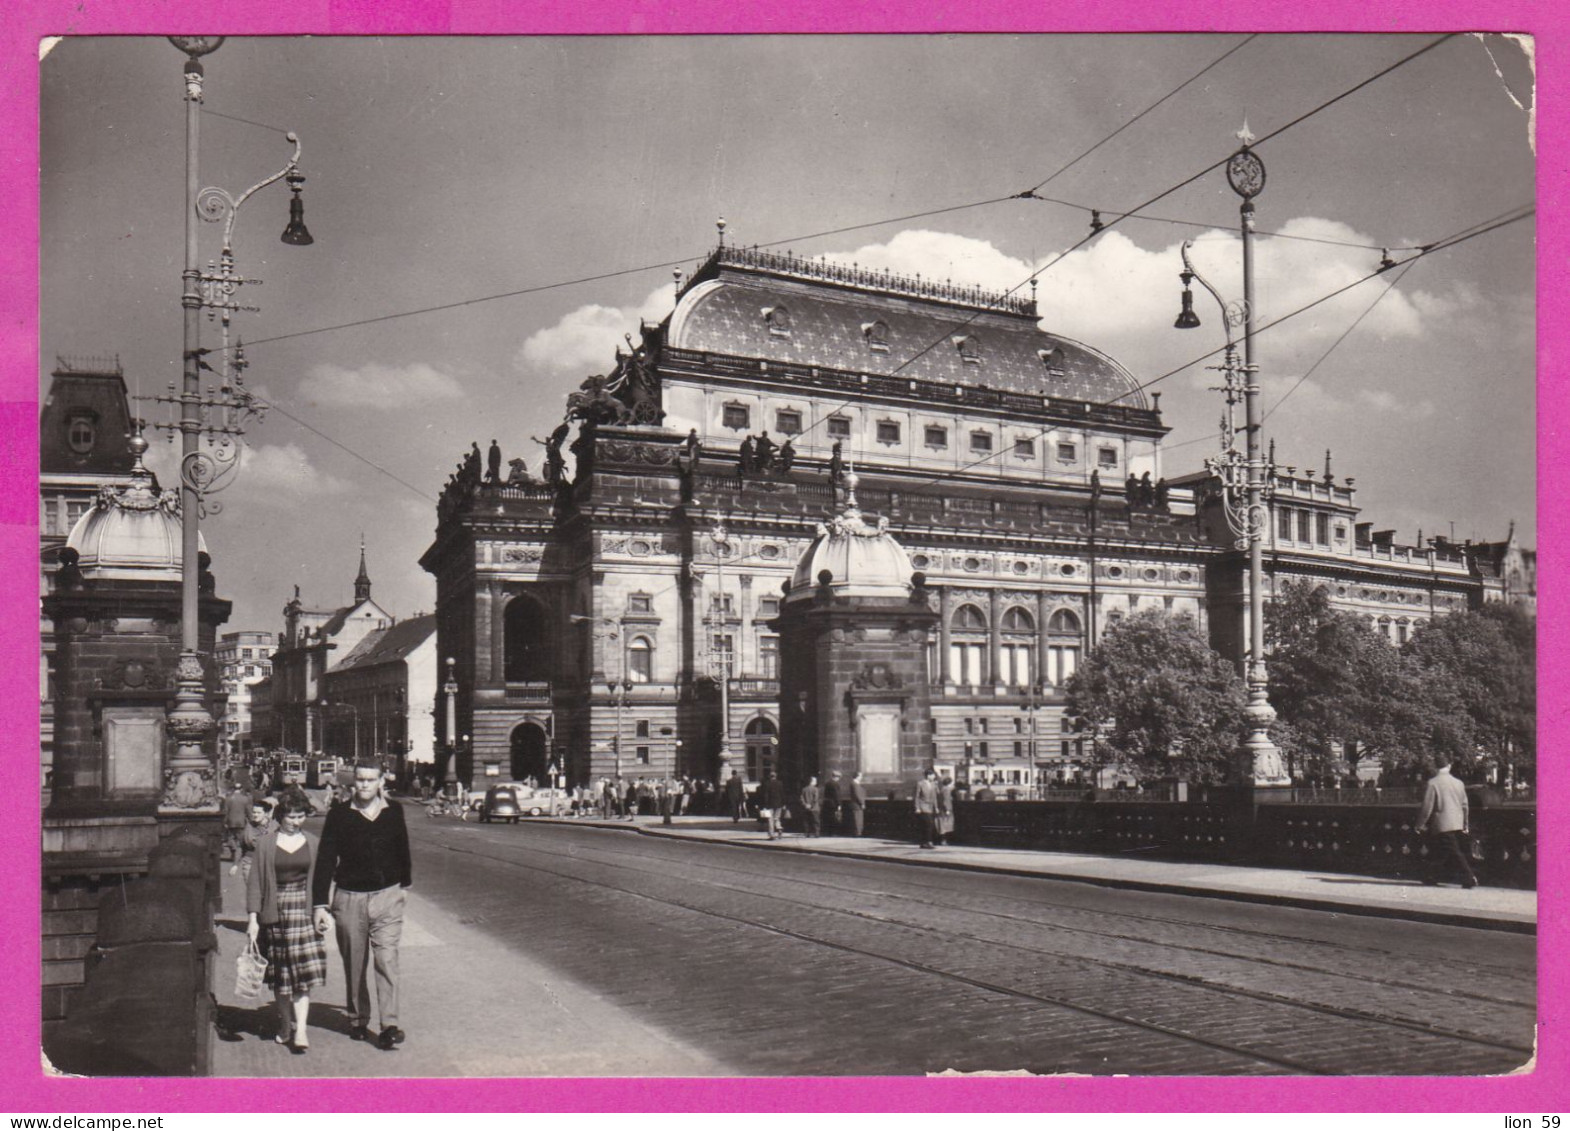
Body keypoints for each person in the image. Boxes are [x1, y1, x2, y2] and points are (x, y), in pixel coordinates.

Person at [312, 762, 413, 1050]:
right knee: (355, 962)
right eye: (360, 780)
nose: (365, 785)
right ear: (353, 782)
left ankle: (389, 1024)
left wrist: (404, 885)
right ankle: (358, 1018)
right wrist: (320, 904)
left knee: (387, 960)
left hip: (387, 897)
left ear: (382, 781)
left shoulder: (394, 811)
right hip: (349, 898)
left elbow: (402, 847)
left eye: (371, 780)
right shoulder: (339, 814)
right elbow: (326, 859)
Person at [247, 787, 327, 1055]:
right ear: (280, 816)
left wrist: (321, 910)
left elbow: (320, 881)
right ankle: (284, 1023)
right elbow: (256, 883)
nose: (296, 821)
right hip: (276, 911)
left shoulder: (313, 843)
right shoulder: (266, 844)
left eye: (301, 816)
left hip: (303, 912)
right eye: (291, 816)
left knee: (301, 974)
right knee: (282, 976)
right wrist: (253, 920)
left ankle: (301, 1028)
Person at [1417, 759, 1478, 889]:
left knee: (1452, 851)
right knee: (1442, 851)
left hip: (1442, 823)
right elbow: (1465, 806)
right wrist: (1465, 824)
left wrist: (1420, 824)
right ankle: (1430, 876)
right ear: (1449, 766)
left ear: (1435, 767)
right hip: (1457, 822)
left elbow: (1427, 808)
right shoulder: (1459, 783)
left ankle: (1469, 877)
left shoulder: (1432, 783)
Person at [237, 800, 276, 883]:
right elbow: (240, 845)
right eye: (254, 812)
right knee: (252, 892)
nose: (255, 815)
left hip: (268, 863)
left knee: (266, 892)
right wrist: (235, 864)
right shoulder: (248, 826)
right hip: (249, 862)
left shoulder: (275, 827)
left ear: (266, 813)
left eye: (258, 813)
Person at [223, 782, 252, 871]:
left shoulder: (228, 799)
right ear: (241, 789)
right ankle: (238, 853)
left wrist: (224, 822)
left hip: (231, 822)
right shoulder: (245, 799)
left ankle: (234, 850)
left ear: (233, 789)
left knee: (231, 837)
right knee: (240, 839)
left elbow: (225, 811)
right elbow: (248, 811)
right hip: (241, 822)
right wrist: (251, 819)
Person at [914, 768, 940, 849]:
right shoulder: (920, 784)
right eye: (933, 775)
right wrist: (917, 807)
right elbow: (917, 796)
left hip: (930, 806)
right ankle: (928, 842)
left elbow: (935, 796)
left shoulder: (933, 784)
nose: (934, 777)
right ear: (928, 775)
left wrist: (936, 807)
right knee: (929, 824)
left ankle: (924, 842)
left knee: (927, 825)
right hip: (923, 806)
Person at [761, 770, 786, 840]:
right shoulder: (780, 783)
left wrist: (765, 805)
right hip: (779, 804)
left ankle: (772, 835)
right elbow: (782, 794)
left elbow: (766, 795)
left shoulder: (767, 784)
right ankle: (779, 828)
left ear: (770, 776)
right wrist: (783, 803)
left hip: (770, 804)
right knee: (777, 818)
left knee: (770, 819)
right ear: (776, 776)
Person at [935, 772, 956, 846]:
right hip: (946, 810)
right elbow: (946, 800)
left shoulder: (942, 789)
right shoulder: (947, 790)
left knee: (942, 825)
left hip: (941, 809)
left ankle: (942, 840)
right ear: (949, 783)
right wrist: (947, 809)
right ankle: (943, 840)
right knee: (945, 825)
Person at [844, 771, 867, 837]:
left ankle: (858, 832)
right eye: (860, 776)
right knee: (857, 819)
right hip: (856, 805)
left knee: (858, 819)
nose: (861, 777)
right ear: (857, 776)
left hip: (856, 804)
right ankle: (857, 833)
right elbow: (857, 795)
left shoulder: (855, 784)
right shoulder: (854, 784)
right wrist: (862, 803)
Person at [821, 771, 842, 836]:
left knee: (828, 818)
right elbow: (837, 795)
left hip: (827, 803)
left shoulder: (827, 783)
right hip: (833, 804)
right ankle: (833, 833)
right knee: (834, 818)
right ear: (836, 777)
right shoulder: (835, 784)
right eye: (838, 777)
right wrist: (839, 804)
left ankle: (828, 832)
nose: (839, 779)